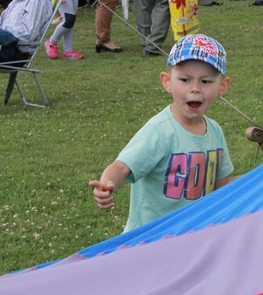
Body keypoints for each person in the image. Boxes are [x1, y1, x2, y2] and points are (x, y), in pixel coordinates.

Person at [88, 35, 235, 232]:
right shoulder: (160, 131)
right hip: (150, 240)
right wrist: (107, 183)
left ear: (222, 87)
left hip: (191, 236)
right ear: (167, 82)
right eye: (185, 80)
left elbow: (222, 185)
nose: (195, 89)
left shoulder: (215, 131)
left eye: (206, 81)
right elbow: (122, 167)